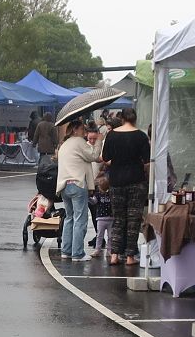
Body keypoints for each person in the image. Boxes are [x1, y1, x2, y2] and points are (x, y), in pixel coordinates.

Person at [100, 107, 149, 265]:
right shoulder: (141, 136)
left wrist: (117, 162)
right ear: (135, 119)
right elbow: (147, 160)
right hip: (136, 181)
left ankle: (114, 255)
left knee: (118, 218)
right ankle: (130, 257)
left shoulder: (112, 135)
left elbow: (105, 157)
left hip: (116, 181)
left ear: (122, 119)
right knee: (133, 220)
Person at [55, 119, 101, 261]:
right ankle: (78, 253)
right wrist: (99, 141)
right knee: (80, 219)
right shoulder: (79, 142)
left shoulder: (64, 145)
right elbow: (93, 156)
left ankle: (66, 250)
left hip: (64, 186)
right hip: (77, 184)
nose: (84, 132)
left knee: (69, 218)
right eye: (82, 129)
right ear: (74, 130)